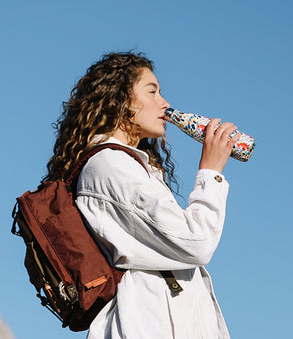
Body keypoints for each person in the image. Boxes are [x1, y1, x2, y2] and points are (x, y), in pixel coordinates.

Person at [45, 51, 237, 338]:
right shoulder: (110, 165)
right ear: (117, 101)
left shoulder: (129, 167)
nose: (165, 102)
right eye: (152, 91)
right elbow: (196, 243)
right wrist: (211, 172)